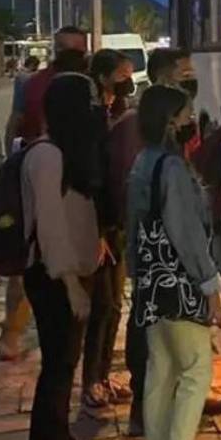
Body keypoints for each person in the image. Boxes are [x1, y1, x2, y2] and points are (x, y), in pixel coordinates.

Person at [128, 85, 221, 440]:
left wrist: (136, 276)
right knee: (196, 371)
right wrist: (211, 286)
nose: (192, 123)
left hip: (151, 283)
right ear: (171, 122)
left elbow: (134, 227)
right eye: (187, 116)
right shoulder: (172, 168)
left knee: (161, 371)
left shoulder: (143, 160)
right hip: (180, 283)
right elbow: (186, 233)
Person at [0, 27, 88, 361]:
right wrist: (12, 164)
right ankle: (13, 333)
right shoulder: (34, 83)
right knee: (30, 259)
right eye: (65, 48)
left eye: (75, 49)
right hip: (42, 174)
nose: (70, 54)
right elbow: (16, 121)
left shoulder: (82, 84)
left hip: (74, 181)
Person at [21, 72, 102, 440]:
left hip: (73, 271)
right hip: (53, 277)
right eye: (90, 101)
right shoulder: (47, 155)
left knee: (64, 363)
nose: (96, 108)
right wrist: (71, 285)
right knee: (58, 365)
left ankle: (55, 436)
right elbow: (50, 226)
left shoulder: (67, 152)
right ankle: (49, 439)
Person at [80, 49, 135, 408]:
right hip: (100, 224)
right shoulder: (92, 120)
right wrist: (98, 230)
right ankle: (91, 381)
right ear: (102, 78)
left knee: (115, 304)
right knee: (102, 304)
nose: (128, 81)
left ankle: (102, 375)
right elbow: (93, 179)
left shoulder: (116, 113)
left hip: (116, 222)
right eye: (121, 75)